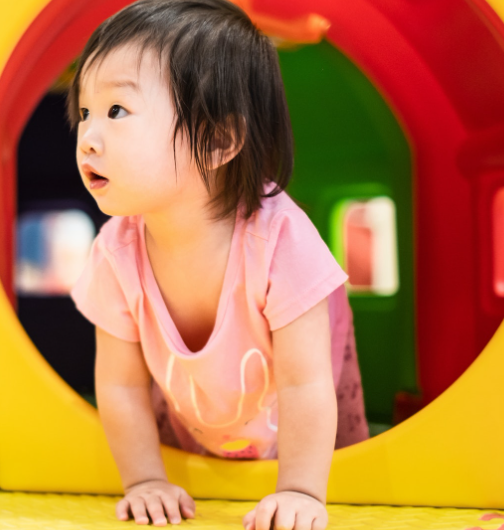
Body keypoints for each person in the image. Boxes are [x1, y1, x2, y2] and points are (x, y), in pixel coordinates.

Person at [67, 1, 369, 528]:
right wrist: (145, 480)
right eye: (85, 113)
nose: (88, 138)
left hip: (303, 416)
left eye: (116, 111)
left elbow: (305, 384)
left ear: (217, 141)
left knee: (345, 470)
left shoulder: (279, 239)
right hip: (198, 424)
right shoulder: (116, 253)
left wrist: (301, 492)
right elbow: (120, 386)